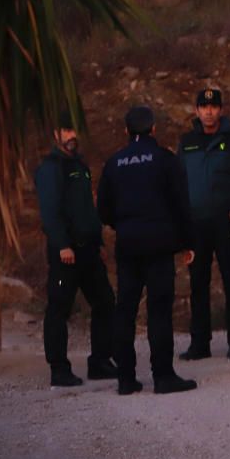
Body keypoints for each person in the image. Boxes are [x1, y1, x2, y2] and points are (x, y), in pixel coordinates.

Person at [97, 106, 197, 395]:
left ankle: (126, 379)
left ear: (126, 132)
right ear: (153, 129)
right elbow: (182, 204)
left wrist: (124, 224)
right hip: (160, 243)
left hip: (128, 243)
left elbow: (103, 210)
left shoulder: (114, 163)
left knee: (125, 310)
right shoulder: (165, 159)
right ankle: (163, 376)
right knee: (159, 310)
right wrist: (188, 243)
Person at [34, 112, 118, 387]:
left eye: (74, 131)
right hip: (66, 253)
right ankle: (58, 368)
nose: (72, 136)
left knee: (105, 301)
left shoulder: (79, 166)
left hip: (88, 251)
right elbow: (50, 211)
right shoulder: (51, 167)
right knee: (59, 308)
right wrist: (61, 244)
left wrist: (98, 243)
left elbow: (87, 210)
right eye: (66, 131)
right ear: (55, 134)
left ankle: (100, 362)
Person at [177, 88, 230, 363]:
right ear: (196, 111)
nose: (208, 111)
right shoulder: (187, 143)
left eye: (213, 107)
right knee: (198, 285)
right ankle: (199, 344)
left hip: (226, 222)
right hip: (196, 225)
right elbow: (179, 183)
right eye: (203, 107)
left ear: (221, 110)